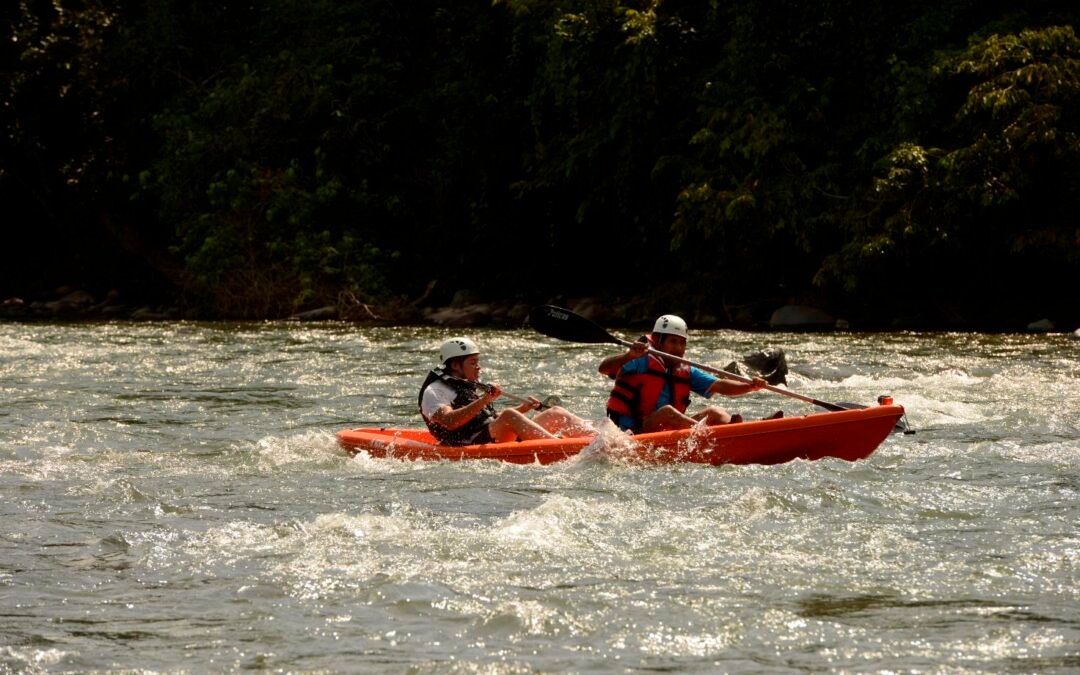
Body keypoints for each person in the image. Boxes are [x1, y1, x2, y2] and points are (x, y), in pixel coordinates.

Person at [599, 314, 770, 434]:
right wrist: (628, 355)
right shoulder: (638, 359)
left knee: (714, 412)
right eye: (673, 342)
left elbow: (720, 385)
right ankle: (712, 437)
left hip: (666, 430)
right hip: (635, 431)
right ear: (658, 341)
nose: (678, 349)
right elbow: (604, 368)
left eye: (682, 343)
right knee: (668, 412)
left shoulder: (685, 369)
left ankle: (740, 431)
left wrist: (750, 386)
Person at [419, 337, 594, 446]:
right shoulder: (434, 391)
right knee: (509, 415)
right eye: (473, 363)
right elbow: (449, 421)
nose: (479, 368)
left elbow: (488, 420)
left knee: (555, 413)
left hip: (488, 435)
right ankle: (564, 450)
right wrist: (484, 400)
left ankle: (601, 441)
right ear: (456, 365)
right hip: (466, 444)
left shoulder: (465, 384)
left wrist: (523, 410)